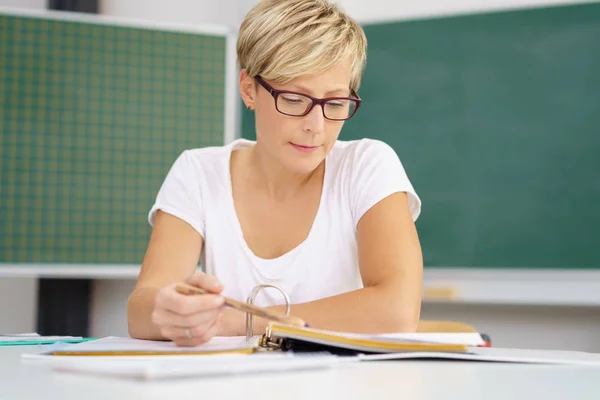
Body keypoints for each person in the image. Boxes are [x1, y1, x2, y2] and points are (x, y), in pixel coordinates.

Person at [127, 0, 423, 347]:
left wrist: (233, 321)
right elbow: (141, 310)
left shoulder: (367, 166)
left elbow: (397, 311)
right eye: (295, 99)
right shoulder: (198, 173)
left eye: (335, 103)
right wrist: (172, 310)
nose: (317, 126)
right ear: (249, 88)